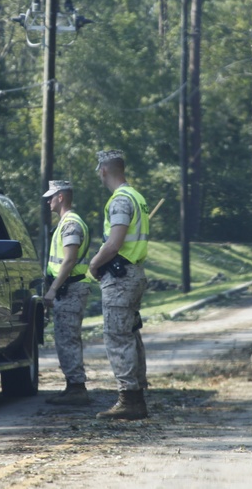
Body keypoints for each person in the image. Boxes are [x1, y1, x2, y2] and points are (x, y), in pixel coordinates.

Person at [88, 149, 150, 420]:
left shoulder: (121, 200)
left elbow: (114, 243)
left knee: (117, 335)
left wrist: (93, 263)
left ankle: (130, 399)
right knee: (130, 333)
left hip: (121, 277)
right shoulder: (136, 195)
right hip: (133, 273)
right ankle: (136, 394)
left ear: (103, 170)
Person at [41, 180, 93, 406]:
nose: (48, 201)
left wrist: (52, 290)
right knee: (66, 338)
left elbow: (70, 259)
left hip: (69, 289)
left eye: (51, 197)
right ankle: (73, 385)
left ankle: (77, 388)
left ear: (61, 197)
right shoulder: (67, 222)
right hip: (67, 288)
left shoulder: (70, 224)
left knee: (68, 338)